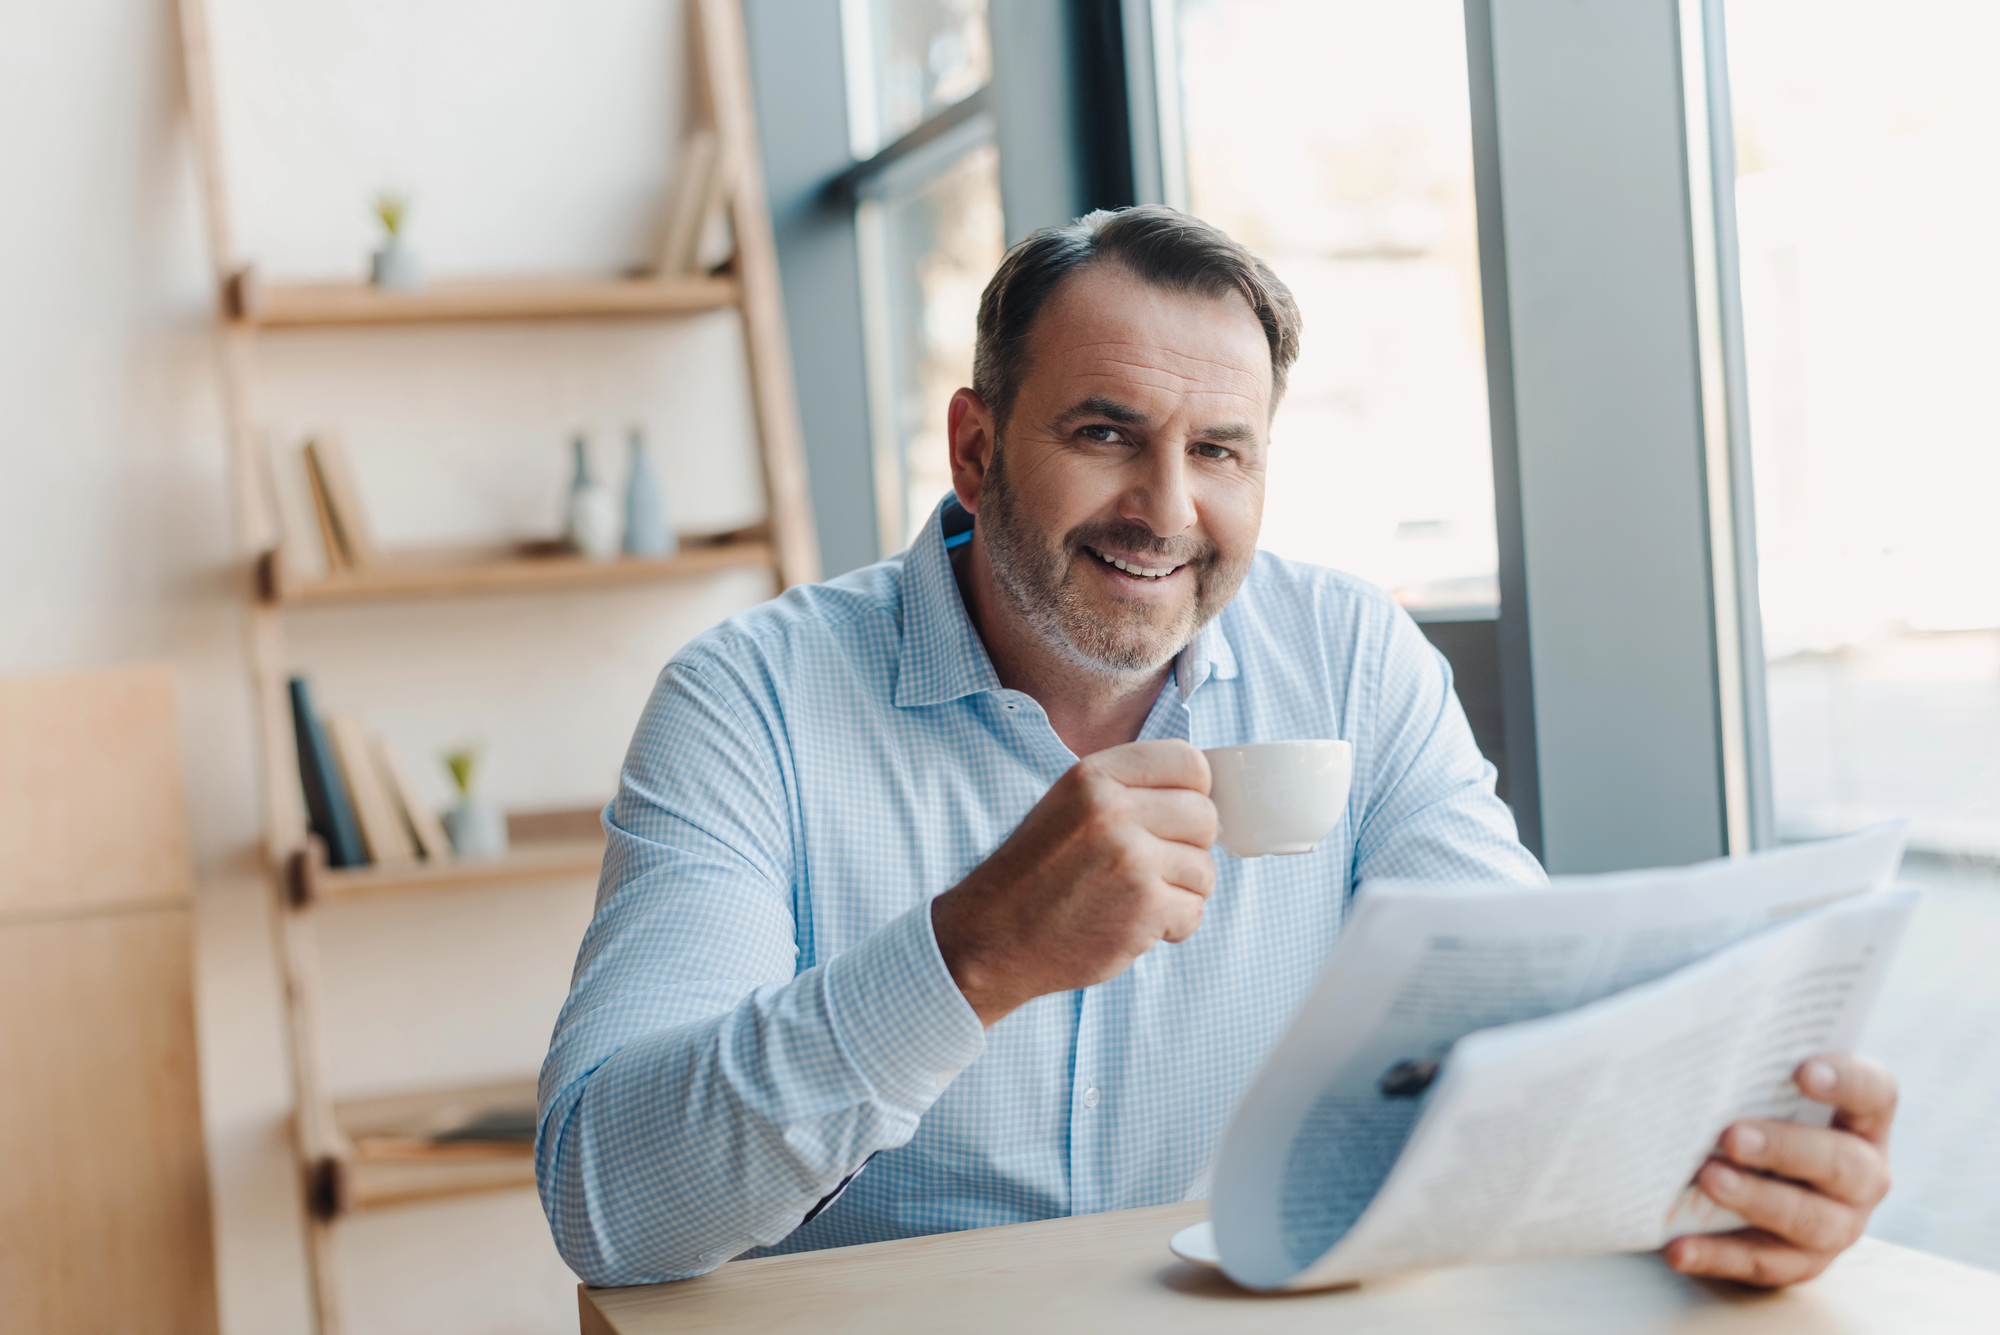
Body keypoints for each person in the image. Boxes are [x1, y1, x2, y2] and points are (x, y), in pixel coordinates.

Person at [536, 207, 1896, 1290]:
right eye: (1105, 433)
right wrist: (970, 956)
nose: (1167, 510)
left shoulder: (1354, 661)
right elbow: (610, 1202)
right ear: (974, 446)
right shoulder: (749, 704)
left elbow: (1530, 1031)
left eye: (1222, 452)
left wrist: (1733, 1178)